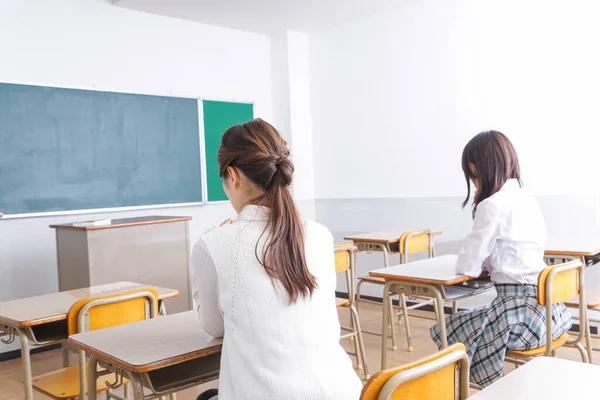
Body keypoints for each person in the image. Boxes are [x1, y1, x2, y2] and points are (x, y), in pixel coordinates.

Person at [191, 118, 362, 400]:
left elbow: (213, 327)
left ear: (233, 176)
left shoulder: (214, 243)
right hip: (344, 391)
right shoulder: (319, 234)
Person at [430, 130, 571, 387]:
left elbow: (467, 267)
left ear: (481, 170)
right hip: (551, 314)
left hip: (521, 319)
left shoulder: (492, 205)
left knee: (448, 325)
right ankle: (501, 386)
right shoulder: (527, 199)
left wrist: (479, 211)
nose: (473, 182)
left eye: (472, 175)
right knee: (472, 317)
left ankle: (482, 389)